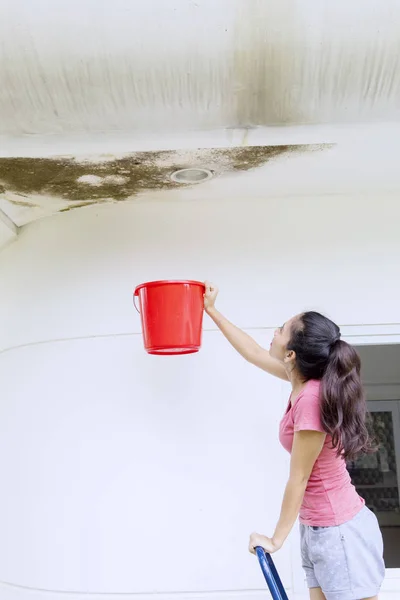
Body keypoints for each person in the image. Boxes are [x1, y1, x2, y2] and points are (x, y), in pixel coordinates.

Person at [203, 282, 385, 600]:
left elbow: (298, 478)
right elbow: (253, 353)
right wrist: (212, 311)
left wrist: (275, 540)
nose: (274, 330)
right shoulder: (299, 381)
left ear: (291, 354)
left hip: (339, 532)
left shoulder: (312, 399)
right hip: (317, 527)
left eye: (283, 328)